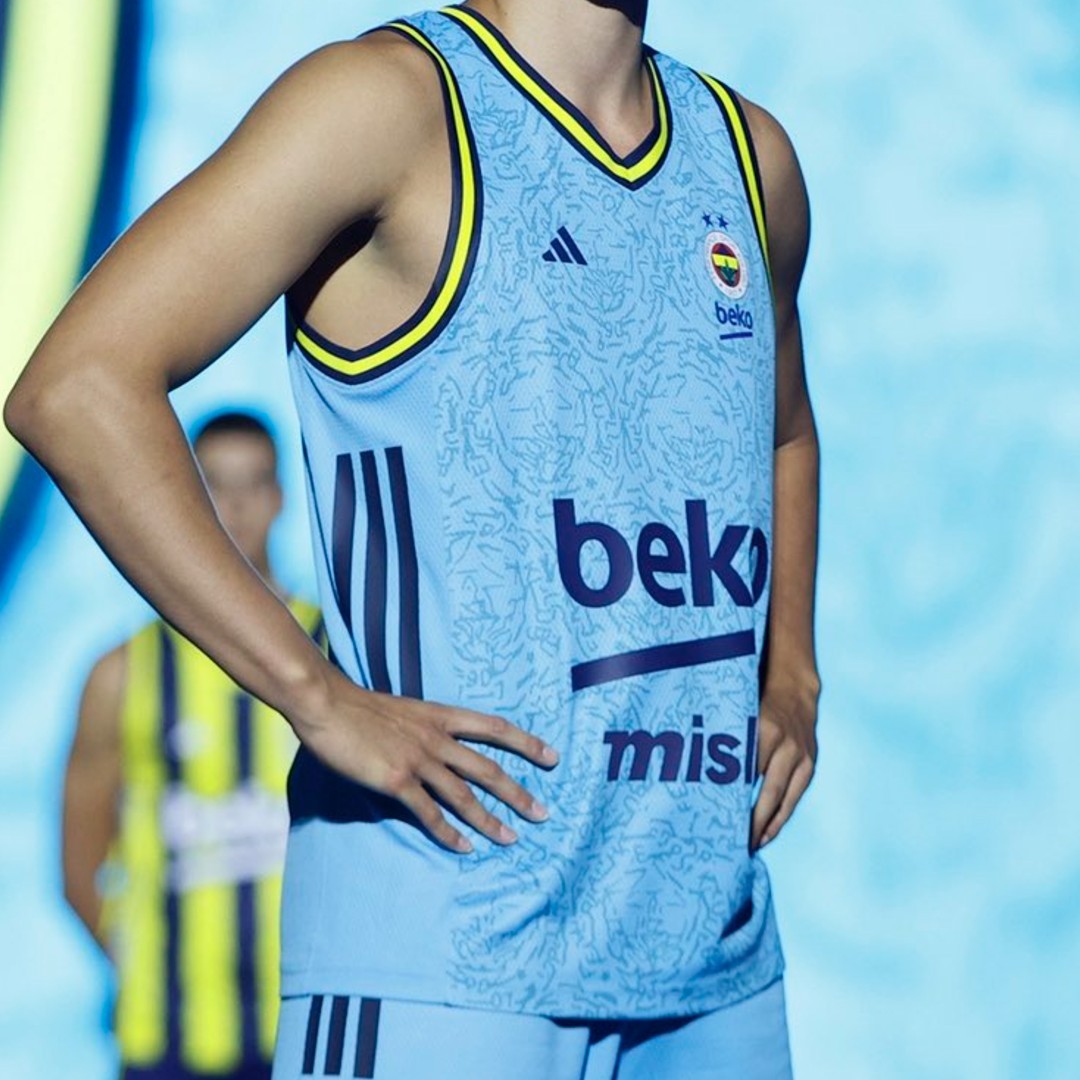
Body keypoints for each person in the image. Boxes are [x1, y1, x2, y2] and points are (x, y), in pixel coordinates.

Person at [9, 1, 821, 1076]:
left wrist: (793, 671)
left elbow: (784, 430)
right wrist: (314, 694)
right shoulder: (387, 104)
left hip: (712, 959)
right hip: (447, 949)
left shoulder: (750, 156)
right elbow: (78, 386)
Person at [62, 412, 322, 1080]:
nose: (235, 507)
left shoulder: (334, 657)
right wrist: (147, 968)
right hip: (170, 1043)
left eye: (253, 484)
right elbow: (79, 864)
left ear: (281, 498)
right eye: (215, 486)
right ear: (187, 499)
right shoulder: (125, 673)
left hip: (309, 1027)